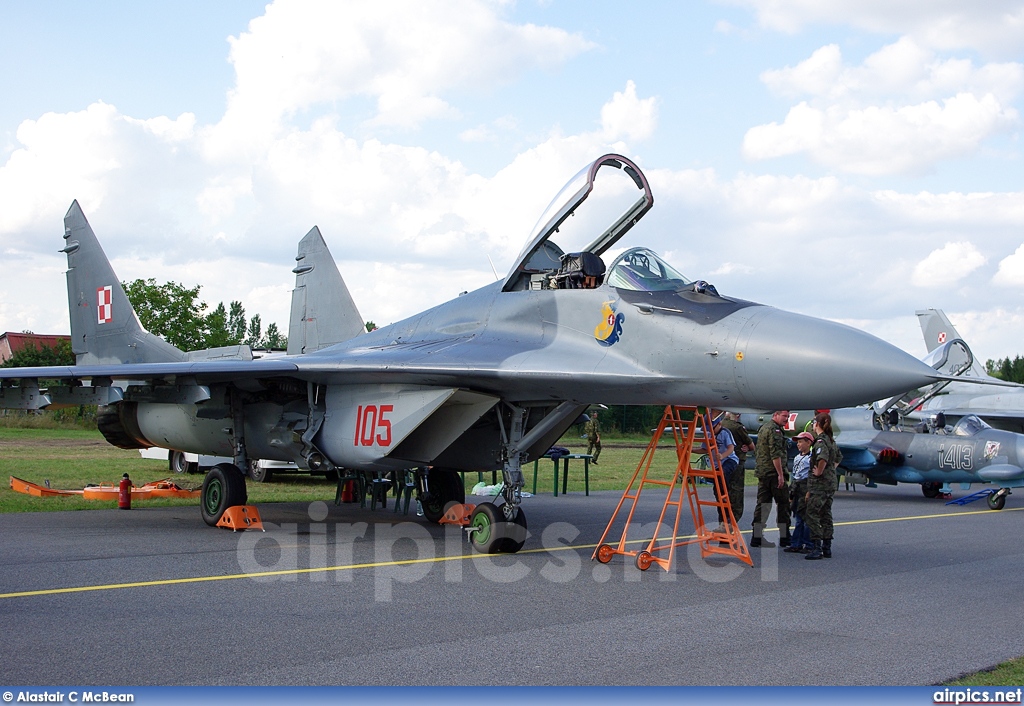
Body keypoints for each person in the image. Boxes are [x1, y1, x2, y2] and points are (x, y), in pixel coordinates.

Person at [805, 411, 843, 560]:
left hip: (820, 485)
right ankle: (827, 547)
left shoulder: (820, 442)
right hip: (830, 483)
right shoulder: (831, 440)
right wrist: (830, 470)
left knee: (812, 514)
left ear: (818, 425)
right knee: (826, 514)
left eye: (814, 423)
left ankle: (817, 547)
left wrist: (820, 471)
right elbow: (839, 457)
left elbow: (822, 458)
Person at [752, 410, 791, 548]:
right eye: (784, 416)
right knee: (783, 504)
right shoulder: (775, 431)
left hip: (763, 472)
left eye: (787, 416)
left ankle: (756, 536)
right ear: (776, 415)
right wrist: (780, 474)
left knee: (763, 504)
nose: (786, 419)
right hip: (773, 474)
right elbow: (775, 455)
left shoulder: (764, 428)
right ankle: (785, 537)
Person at [706, 413, 740, 527]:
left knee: (723, 473)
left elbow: (731, 448)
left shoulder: (725, 432)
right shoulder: (709, 434)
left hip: (729, 460)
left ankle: (726, 495)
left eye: (713, 427)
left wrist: (722, 455)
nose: (711, 430)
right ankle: (722, 499)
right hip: (717, 465)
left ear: (719, 424)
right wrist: (690, 449)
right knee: (717, 490)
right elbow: (703, 449)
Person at [784, 431, 815, 554]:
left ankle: (808, 543)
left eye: (801, 442)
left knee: (805, 518)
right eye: (797, 442)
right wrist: (791, 493)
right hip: (796, 487)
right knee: (797, 517)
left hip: (805, 487)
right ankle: (796, 543)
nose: (798, 444)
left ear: (808, 443)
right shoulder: (797, 457)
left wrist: (809, 491)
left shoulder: (811, 458)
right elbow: (794, 475)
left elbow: (813, 475)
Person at [720, 411, 753, 522]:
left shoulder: (720, 424)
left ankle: (723, 522)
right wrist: (748, 447)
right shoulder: (738, 427)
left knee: (723, 493)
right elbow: (751, 446)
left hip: (721, 463)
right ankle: (731, 522)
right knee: (736, 494)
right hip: (736, 463)